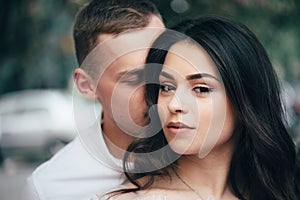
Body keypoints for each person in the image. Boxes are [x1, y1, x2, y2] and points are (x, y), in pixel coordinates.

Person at [100, 16, 300, 200]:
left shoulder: (281, 189)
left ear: (244, 98)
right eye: (166, 87)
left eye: (201, 89)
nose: (174, 104)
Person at [21, 0, 164, 199]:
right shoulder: (48, 189)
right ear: (87, 86)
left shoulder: (210, 157)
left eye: (164, 69)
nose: (157, 89)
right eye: (133, 78)